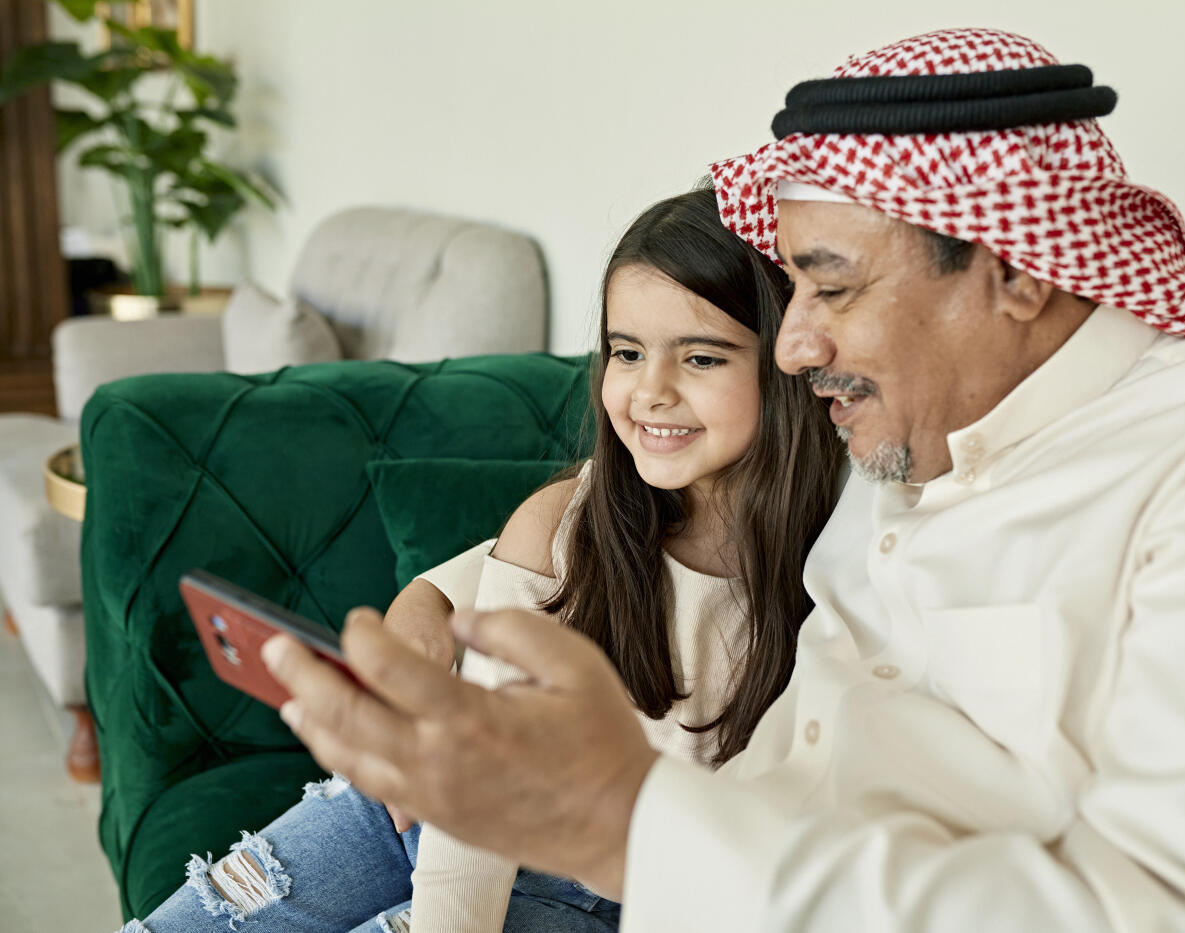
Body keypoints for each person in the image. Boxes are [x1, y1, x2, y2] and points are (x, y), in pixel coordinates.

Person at [264, 27, 1185, 933]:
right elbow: (638, 494)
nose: (793, 347)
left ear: (1011, 271)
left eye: (830, 288)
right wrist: (434, 598)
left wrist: (624, 822)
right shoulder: (899, 434)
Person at [116, 186, 841, 933]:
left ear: (784, 360)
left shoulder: (843, 563)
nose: (650, 391)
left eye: (700, 356)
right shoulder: (564, 524)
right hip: (442, 810)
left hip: (602, 890)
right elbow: (474, 812)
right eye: (626, 352)